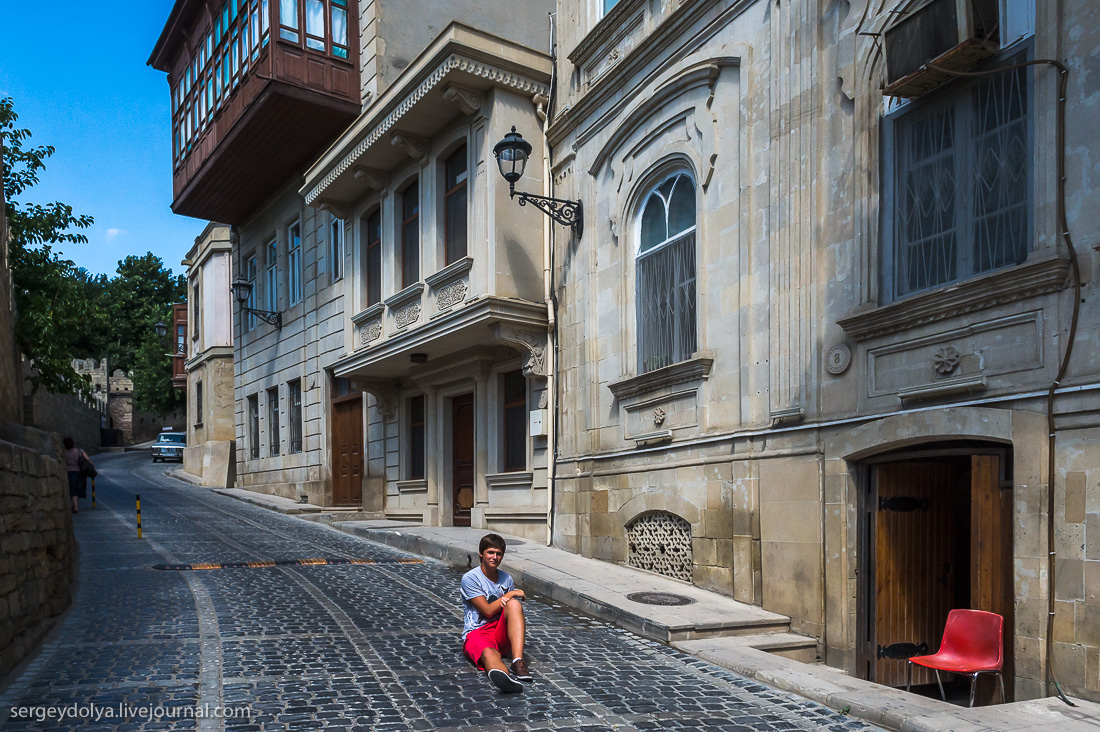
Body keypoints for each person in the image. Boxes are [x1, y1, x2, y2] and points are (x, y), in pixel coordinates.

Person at [460, 533, 532, 693]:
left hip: (500, 632)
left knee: (514, 605)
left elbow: (510, 611)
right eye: (490, 552)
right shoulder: (470, 578)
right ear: (481, 553)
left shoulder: (506, 579)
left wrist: (510, 597)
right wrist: (510, 594)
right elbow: (486, 610)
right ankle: (504, 678)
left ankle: (518, 662)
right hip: (477, 632)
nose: (495, 557)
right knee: (489, 653)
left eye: (499, 554)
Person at [63, 437, 93, 514]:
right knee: (78, 490)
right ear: (73, 443)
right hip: (80, 473)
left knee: (72, 490)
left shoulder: (64, 453)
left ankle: (75, 505)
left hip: (69, 473)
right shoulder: (80, 451)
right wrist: (92, 467)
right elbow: (88, 459)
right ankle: (75, 505)